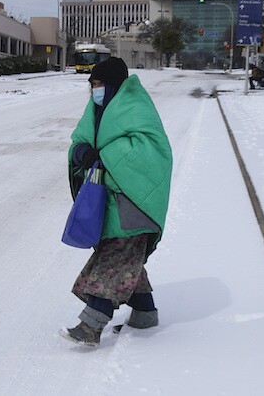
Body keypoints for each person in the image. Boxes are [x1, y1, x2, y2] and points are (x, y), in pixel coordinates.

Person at [60, 57, 173, 348]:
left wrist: (103, 157)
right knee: (127, 260)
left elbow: (149, 152)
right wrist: (82, 152)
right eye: (92, 85)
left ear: (112, 85)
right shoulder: (97, 110)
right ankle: (145, 314)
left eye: (99, 84)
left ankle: (90, 326)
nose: (94, 90)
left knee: (113, 262)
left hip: (134, 205)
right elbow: (80, 141)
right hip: (110, 203)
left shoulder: (136, 108)